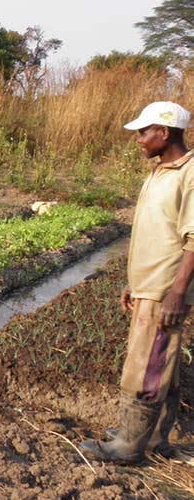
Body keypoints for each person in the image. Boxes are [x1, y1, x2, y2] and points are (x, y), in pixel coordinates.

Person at [79, 100, 193, 464]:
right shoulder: (161, 171)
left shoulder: (190, 173)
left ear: (165, 132)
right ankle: (153, 437)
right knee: (161, 365)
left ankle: (129, 446)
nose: (139, 139)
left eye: (144, 132)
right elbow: (155, 231)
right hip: (150, 285)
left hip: (164, 290)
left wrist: (176, 293)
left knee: (148, 366)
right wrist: (134, 282)